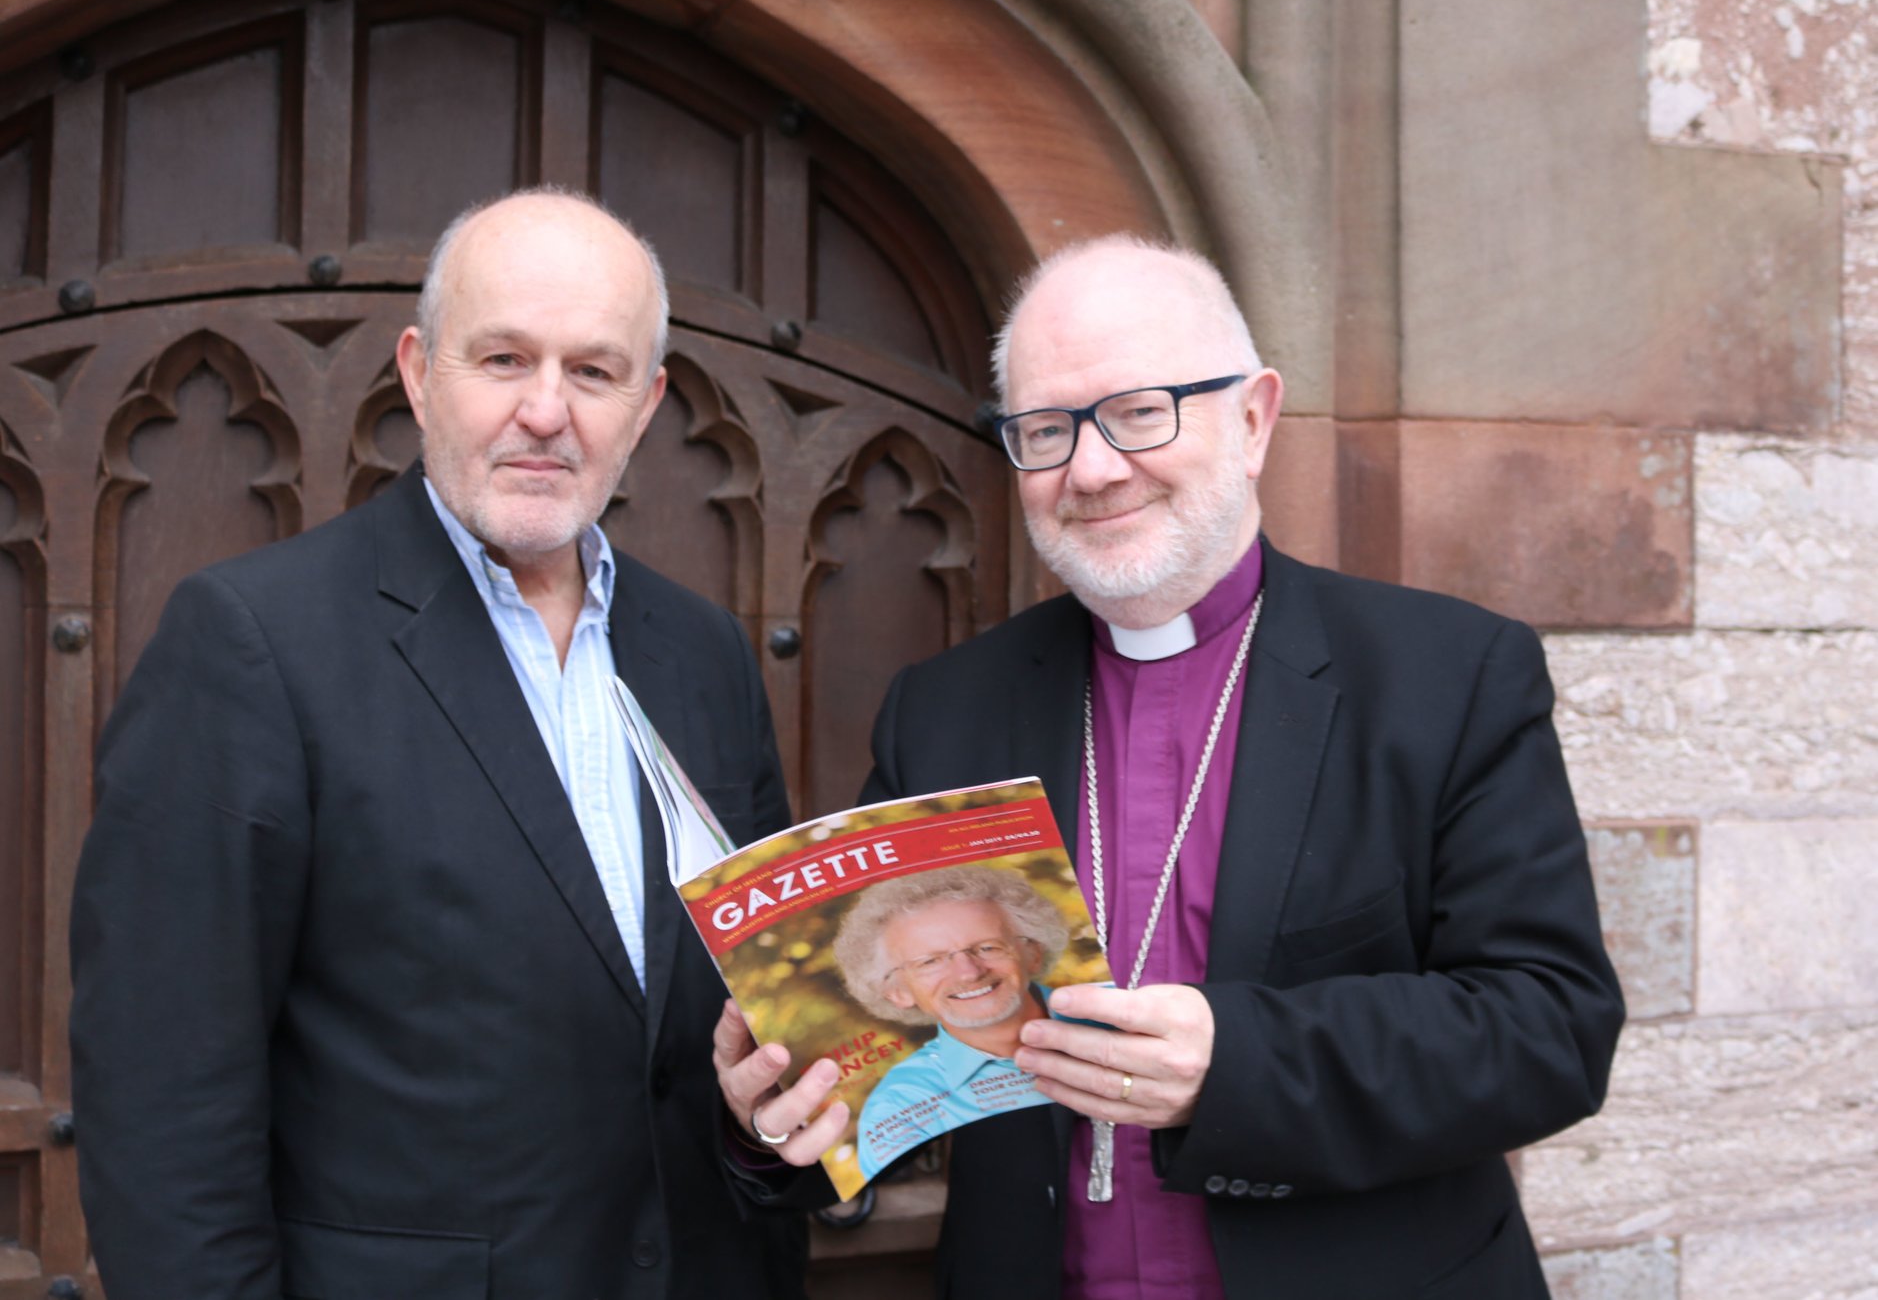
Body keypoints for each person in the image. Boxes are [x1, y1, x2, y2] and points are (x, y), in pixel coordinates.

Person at [716, 235, 1625, 1298]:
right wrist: (774, 1118)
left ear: (1252, 419)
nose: (1092, 469)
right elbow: (885, 1060)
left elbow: (1550, 1028)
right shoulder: (949, 707)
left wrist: (1236, 1063)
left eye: (1141, 411)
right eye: (1046, 431)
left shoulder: (1447, 675)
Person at [70, 189, 807, 1299]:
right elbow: (163, 1108)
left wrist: (762, 1130)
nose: (547, 412)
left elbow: (752, 1025)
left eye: (594, 372)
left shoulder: (700, 652)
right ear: (420, 372)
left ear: (647, 404)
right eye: (503, 359)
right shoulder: (255, 642)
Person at [832, 865, 1068, 1175]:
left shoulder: (1116, 1017)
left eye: (987, 947)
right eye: (930, 961)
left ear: (1032, 953)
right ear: (897, 992)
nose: (969, 972)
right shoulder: (902, 1099)